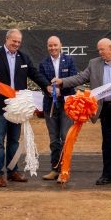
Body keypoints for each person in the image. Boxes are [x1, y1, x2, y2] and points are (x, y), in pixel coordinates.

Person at [55, 38, 111, 187]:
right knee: (108, 143)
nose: (100, 53)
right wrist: (62, 81)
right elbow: (80, 78)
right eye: (99, 50)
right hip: (107, 109)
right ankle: (108, 175)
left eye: (102, 50)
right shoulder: (94, 63)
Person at [0, 28, 49, 187]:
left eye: (19, 42)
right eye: (14, 41)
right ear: (7, 39)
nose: (16, 44)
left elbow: (34, 74)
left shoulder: (24, 57)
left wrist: (47, 86)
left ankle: (13, 171)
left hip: (17, 107)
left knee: (14, 141)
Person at [37, 35, 77, 182]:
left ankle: (64, 171)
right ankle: (55, 169)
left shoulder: (70, 60)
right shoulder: (43, 64)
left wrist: (61, 87)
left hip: (67, 105)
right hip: (50, 107)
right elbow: (41, 82)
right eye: (50, 46)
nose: (53, 48)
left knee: (65, 137)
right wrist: (48, 89)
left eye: (55, 45)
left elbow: (74, 79)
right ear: (47, 47)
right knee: (54, 140)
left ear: (61, 45)